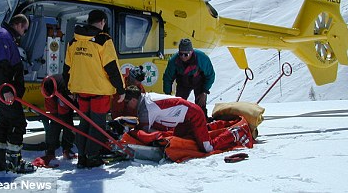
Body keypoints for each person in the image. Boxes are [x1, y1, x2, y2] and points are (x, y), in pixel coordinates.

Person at [63, 9, 125, 168]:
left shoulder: (73, 41)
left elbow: (67, 68)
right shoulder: (103, 41)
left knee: (84, 124)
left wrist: (68, 89)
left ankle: (82, 157)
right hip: (99, 91)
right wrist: (121, 89)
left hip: (81, 91)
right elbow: (112, 67)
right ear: (102, 22)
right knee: (97, 125)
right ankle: (92, 157)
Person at [122, 85, 253, 153]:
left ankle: (235, 133)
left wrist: (129, 132)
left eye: (127, 102)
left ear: (134, 99)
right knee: (188, 139)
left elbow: (145, 133)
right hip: (186, 117)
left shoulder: (146, 107)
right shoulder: (145, 99)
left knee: (208, 148)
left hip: (193, 116)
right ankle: (226, 125)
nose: (127, 105)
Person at [0, 14, 35, 173]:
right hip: (6, 91)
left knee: (5, 121)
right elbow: (0, 65)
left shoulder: (5, 37)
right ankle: (14, 161)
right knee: (18, 122)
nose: (24, 33)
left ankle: (0, 161)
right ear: (18, 25)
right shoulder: (3, 38)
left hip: (3, 90)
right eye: (25, 29)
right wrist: (7, 89)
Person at [163, 38, 215, 117]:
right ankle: (179, 123)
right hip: (183, 84)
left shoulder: (202, 58)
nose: (183, 57)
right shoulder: (174, 61)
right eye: (180, 54)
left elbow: (210, 75)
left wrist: (205, 91)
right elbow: (167, 78)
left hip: (199, 83)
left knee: (201, 106)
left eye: (186, 54)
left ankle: (203, 122)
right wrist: (168, 94)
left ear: (191, 52)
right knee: (179, 105)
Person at [42, 75, 77, 164]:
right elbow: (63, 113)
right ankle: (62, 150)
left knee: (59, 120)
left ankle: (58, 149)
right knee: (63, 121)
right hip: (52, 91)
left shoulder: (70, 85)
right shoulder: (66, 90)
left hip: (51, 88)